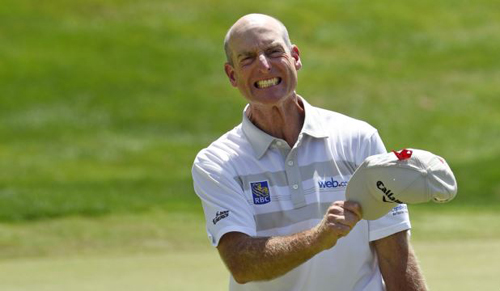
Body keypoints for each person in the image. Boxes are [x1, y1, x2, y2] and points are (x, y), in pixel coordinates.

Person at [192, 13, 428, 291]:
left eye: (273, 51)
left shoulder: (358, 139)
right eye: (248, 58)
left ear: (295, 57)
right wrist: (319, 237)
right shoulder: (217, 162)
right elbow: (242, 264)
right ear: (232, 75)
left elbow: (394, 252)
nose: (264, 66)